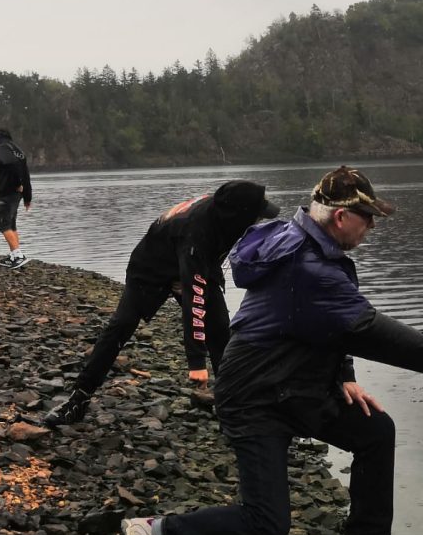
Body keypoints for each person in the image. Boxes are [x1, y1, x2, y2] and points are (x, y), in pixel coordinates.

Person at [120, 165, 423, 535]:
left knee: (375, 430)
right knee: (266, 523)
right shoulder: (307, 267)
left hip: (296, 387)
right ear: (340, 217)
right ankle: (157, 534)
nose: (371, 226)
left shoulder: (302, 242)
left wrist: (345, 375)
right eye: (367, 217)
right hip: (254, 399)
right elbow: (364, 327)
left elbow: (324, 324)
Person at [44, 181, 280, 428]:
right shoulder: (197, 230)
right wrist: (196, 363)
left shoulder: (224, 212)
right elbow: (194, 298)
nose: (258, 221)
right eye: (256, 215)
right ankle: (78, 398)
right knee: (120, 327)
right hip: (150, 269)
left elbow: (206, 266)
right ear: (240, 212)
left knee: (220, 330)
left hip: (193, 262)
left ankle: (233, 404)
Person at [0, 128, 32, 268]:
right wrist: (27, 197)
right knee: (11, 224)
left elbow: (10, 164)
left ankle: (18, 255)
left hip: (7, 192)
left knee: (3, 225)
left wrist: (17, 183)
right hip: (17, 194)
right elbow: (26, 174)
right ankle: (13, 256)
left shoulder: (3, 148)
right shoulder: (19, 151)